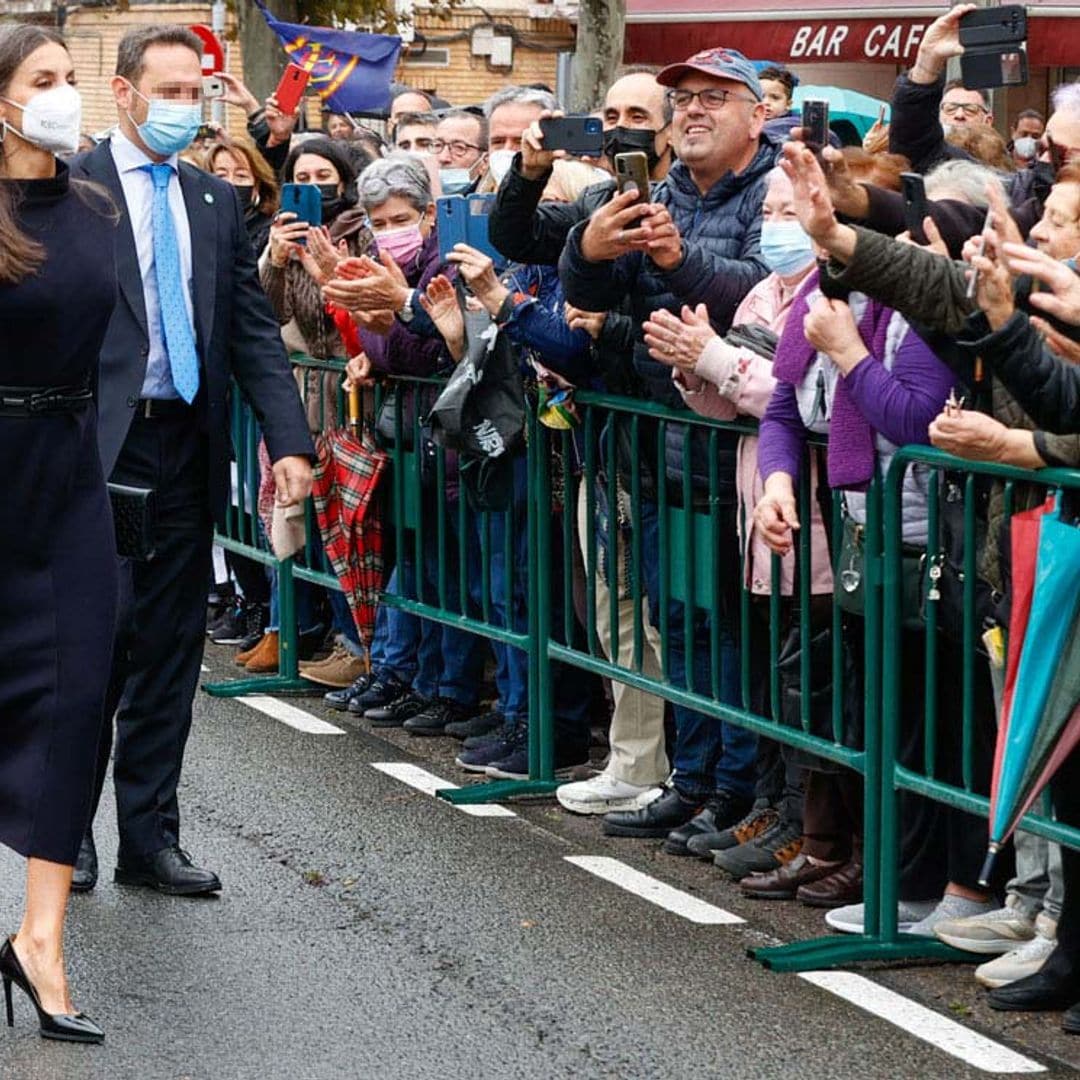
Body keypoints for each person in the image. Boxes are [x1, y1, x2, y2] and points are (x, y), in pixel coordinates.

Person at [71, 24, 314, 897]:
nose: (182, 108)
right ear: (124, 92)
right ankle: (69, 834)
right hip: (95, 447)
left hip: (186, 445)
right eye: (166, 90)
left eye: (193, 93)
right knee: (94, 644)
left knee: (170, 647)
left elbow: (251, 332)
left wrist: (290, 441)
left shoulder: (214, 202)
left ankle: (150, 838)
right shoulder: (73, 188)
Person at [559, 46, 774, 845]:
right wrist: (589, 250)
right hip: (660, 449)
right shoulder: (657, 189)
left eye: (717, 97)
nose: (693, 110)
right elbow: (589, 299)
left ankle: (740, 792)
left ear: (758, 113)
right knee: (677, 622)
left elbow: (760, 288)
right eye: (683, 97)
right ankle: (693, 778)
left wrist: (679, 260)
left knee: (736, 636)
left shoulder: (772, 191)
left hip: (745, 455)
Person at [0, 22, 116, 1045]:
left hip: (69, 480)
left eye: (69, 81)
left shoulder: (92, 205)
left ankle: (40, 942)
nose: (63, 97)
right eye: (43, 81)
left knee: (78, 695)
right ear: (0, 100)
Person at [433, 108, 488, 193]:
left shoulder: (493, 204)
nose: (443, 158)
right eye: (438, 145)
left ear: (485, 161)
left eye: (459, 148)